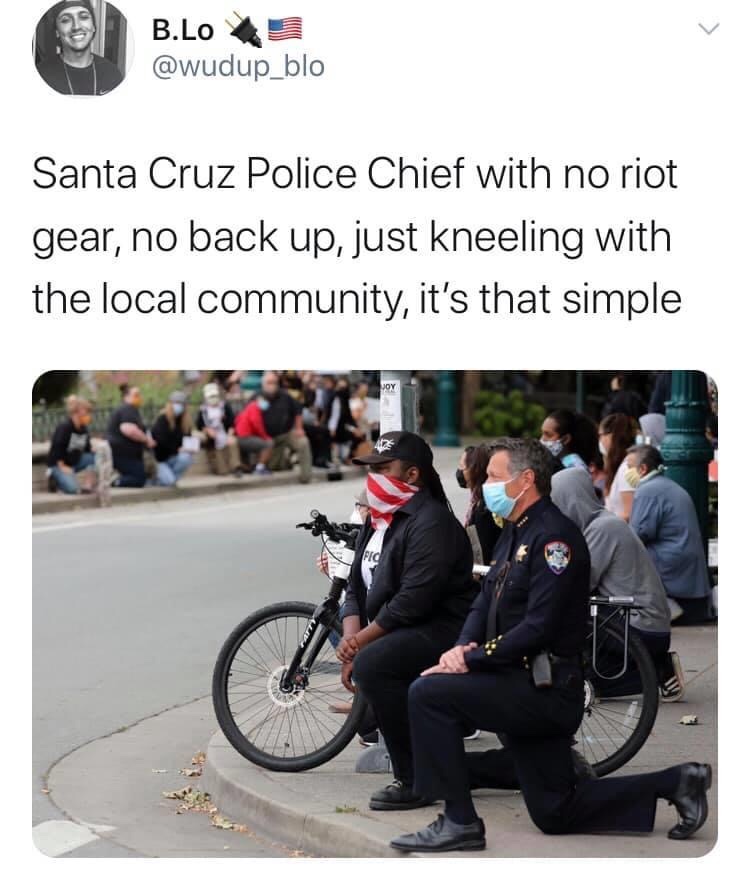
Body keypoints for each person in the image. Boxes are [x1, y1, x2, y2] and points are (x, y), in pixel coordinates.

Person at [390, 438, 712, 852]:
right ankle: (679, 781)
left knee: (428, 695)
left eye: (493, 477)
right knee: (555, 811)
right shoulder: (516, 531)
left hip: (544, 689)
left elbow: (539, 626)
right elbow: (486, 598)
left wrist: (472, 657)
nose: (485, 484)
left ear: (526, 480)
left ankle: (459, 822)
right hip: (520, 681)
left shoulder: (555, 539)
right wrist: (461, 646)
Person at [336, 432, 476, 811]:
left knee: (375, 665)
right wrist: (351, 639)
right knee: (368, 660)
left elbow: (412, 602)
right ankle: (427, 767)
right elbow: (354, 587)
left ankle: (415, 779)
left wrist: (360, 645)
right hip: (400, 627)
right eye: (371, 470)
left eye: (383, 469)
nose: (373, 478)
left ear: (412, 474)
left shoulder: (431, 523)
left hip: (440, 628)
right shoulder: (379, 519)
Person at [550, 467, 684, 701]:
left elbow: (580, 582)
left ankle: (656, 672)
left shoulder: (602, 529)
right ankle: (656, 668)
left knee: (567, 628)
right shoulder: (602, 522)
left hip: (640, 626)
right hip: (645, 624)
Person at [627, 445, 713, 624]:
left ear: (642, 469)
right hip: (685, 566)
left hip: (671, 567)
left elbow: (637, 535)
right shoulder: (665, 485)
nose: (626, 472)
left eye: (629, 467)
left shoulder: (648, 490)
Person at [37, 2, 124, 96]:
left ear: (93, 26)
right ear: (57, 31)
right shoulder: (41, 75)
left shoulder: (112, 74)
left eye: (83, 17)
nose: (76, 26)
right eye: (66, 20)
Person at [258, 371, 313, 483]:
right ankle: (286, 462)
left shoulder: (285, 396)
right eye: (269, 383)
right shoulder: (257, 397)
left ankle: (305, 477)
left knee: (303, 442)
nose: (272, 385)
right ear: (263, 384)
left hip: (286, 433)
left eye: (274, 382)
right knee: (274, 466)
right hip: (266, 437)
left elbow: (298, 410)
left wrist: (299, 428)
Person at [456, 444, 502, 565]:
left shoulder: (484, 509)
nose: (459, 472)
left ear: (475, 469)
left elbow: (483, 548)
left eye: (462, 467)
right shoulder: (476, 501)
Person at [106, 386, 154, 488]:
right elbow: (127, 429)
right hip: (121, 453)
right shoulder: (127, 408)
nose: (139, 397)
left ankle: (118, 478)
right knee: (139, 478)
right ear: (126, 397)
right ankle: (115, 481)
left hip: (126, 454)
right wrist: (146, 439)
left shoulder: (130, 409)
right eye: (136, 395)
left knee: (140, 474)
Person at [47, 396, 96, 494]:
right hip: (58, 464)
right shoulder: (65, 427)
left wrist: (96, 450)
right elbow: (57, 447)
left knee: (95, 457)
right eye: (87, 412)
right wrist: (62, 466)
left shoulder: (83, 429)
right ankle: (53, 478)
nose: (89, 416)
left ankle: (88, 485)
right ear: (78, 412)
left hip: (74, 462)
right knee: (73, 489)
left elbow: (87, 449)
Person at [150, 391, 194, 487]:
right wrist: (177, 449)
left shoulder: (185, 422)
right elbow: (161, 441)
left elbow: (188, 439)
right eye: (176, 403)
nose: (179, 406)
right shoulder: (162, 419)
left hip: (174, 458)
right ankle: (157, 480)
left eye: (181, 404)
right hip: (160, 460)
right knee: (169, 482)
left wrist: (190, 447)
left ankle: (169, 479)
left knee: (187, 458)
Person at [195, 383, 241, 476]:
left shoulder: (225, 406)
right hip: (213, 439)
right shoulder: (203, 410)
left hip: (225, 434)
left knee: (233, 442)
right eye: (210, 396)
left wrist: (229, 435)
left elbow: (232, 423)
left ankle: (236, 467)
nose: (213, 398)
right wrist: (207, 430)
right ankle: (222, 468)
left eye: (214, 396)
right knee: (222, 471)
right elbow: (199, 425)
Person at [598, 413, 637, 520]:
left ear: (611, 435)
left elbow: (629, 514)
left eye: (600, 435)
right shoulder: (620, 467)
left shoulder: (626, 469)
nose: (599, 441)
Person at [233, 397, 274, 475]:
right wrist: (265, 437)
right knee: (268, 444)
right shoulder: (254, 407)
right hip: (244, 437)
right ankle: (260, 468)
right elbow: (256, 424)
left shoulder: (249, 407)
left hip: (241, 436)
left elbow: (237, 420)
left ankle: (254, 466)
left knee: (261, 442)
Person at [327, 377, 364, 463]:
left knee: (360, 436)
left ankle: (348, 458)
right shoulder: (334, 398)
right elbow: (333, 415)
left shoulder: (344, 400)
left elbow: (348, 417)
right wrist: (332, 429)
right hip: (332, 428)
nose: (342, 390)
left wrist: (355, 428)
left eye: (344, 388)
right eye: (340, 387)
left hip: (341, 429)